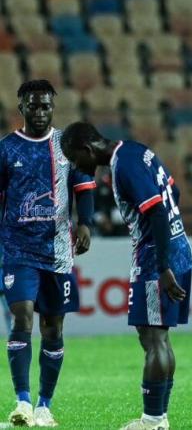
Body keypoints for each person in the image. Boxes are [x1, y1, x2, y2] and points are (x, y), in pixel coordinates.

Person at [60, 122, 192, 430]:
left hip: (156, 257)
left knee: (153, 337)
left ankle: (153, 420)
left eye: (76, 159)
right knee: (158, 336)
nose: (78, 167)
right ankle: (159, 418)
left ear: (87, 150)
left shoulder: (124, 167)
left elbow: (157, 211)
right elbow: (173, 190)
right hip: (177, 245)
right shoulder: (136, 150)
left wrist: (162, 267)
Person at [1, 80, 96, 427]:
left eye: (45, 106)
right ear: (21, 107)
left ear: (52, 108)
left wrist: (85, 224)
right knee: (22, 317)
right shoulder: (6, 149)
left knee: (53, 329)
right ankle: (22, 401)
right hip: (17, 250)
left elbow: (84, 189)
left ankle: (44, 405)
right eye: (33, 105)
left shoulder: (67, 146)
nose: (40, 111)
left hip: (57, 253)